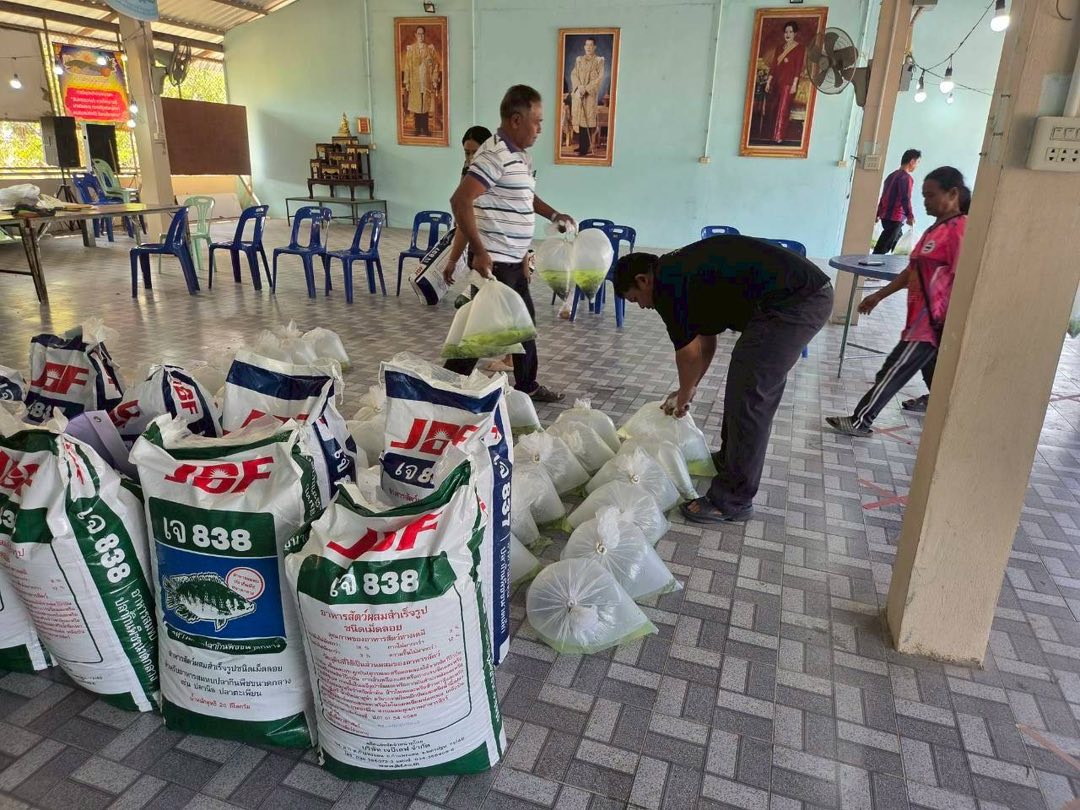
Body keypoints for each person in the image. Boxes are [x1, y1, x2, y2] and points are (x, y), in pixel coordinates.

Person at [613, 236, 833, 523]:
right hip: (796, 296)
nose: (642, 306)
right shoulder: (680, 273)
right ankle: (731, 461)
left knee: (750, 395)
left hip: (795, 302)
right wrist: (689, 389)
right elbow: (706, 343)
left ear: (643, 280)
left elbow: (689, 354)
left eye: (635, 299)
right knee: (742, 380)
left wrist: (684, 394)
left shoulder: (667, 286)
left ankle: (733, 500)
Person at [443, 85, 575, 403]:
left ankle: (524, 384)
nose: (540, 129)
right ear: (516, 120)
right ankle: (447, 386)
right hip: (495, 261)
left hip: (513, 261)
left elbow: (526, 196)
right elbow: (460, 200)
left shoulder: (520, 156)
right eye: (536, 121)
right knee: (483, 329)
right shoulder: (493, 155)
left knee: (520, 324)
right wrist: (480, 251)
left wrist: (553, 214)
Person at [827, 166, 971, 436]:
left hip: (930, 323)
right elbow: (911, 272)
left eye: (931, 195)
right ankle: (941, 408)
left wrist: (950, 320)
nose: (925, 202)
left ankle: (860, 421)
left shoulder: (959, 230)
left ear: (953, 194)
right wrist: (878, 295)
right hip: (919, 318)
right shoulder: (934, 230)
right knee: (932, 371)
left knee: (893, 371)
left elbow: (965, 278)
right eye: (923, 196)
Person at [764, 21, 805, 144]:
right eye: (786, 32)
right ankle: (772, 135)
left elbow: (798, 68)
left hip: (788, 83)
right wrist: (768, 82)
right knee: (774, 108)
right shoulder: (779, 48)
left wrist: (794, 84)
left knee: (783, 110)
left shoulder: (799, 48)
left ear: (795, 33)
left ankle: (779, 136)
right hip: (776, 82)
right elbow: (773, 66)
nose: (788, 34)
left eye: (791, 32)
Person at [874, 149, 921, 255]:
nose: (917, 166)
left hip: (886, 217)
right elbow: (905, 198)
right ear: (912, 161)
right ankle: (870, 265)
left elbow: (883, 196)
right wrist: (910, 216)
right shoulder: (906, 178)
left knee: (898, 247)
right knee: (881, 250)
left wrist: (877, 213)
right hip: (895, 217)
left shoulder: (891, 176)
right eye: (917, 162)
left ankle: (896, 265)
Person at [570, 37, 605, 157]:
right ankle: (582, 146)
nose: (588, 47)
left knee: (587, 120)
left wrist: (586, 88)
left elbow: (599, 78)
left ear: (594, 47)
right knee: (580, 119)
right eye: (587, 45)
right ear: (584, 47)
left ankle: (585, 148)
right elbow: (574, 74)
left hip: (589, 95)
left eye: (591, 45)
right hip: (579, 93)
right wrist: (579, 86)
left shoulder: (599, 61)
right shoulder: (579, 60)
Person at [403, 26, 440, 137]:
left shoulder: (430, 49)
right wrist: (407, 82)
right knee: (417, 106)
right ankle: (418, 128)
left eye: (422, 34)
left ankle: (425, 129)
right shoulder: (411, 50)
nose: (420, 36)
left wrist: (434, 79)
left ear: (424, 35)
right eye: (419, 34)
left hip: (426, 82)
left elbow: (435, 66)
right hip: (415, 83)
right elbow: (407, 67)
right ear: (416, 35)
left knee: (425, 107)